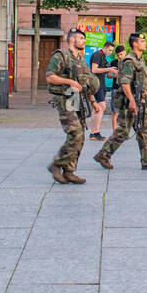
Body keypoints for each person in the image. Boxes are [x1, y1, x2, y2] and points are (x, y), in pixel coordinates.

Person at [94, 32, 147, 172]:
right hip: (131, 102)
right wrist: (131, 100)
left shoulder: (139, 60)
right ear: (135, 44)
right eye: (142, 42)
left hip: (141, 101)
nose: (145, 44)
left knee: (145, 131)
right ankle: (103, 155)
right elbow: (124, 82)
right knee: (123, 131)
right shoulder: (129, 61)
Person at [46, 28, 99, 183]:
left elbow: (85, 83)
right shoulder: (61, 56)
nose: (84, 41)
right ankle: (56, 165)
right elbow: (50, 77)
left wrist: (93, 101)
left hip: (79, 100)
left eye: (84, 39)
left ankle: (69, 171)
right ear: (71, 39)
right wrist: (69, 82)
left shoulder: (81, 60)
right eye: (81, 38)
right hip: (66, 99)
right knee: (75, 133)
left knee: (80, 136)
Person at [89, 41, 117, 141]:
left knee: (96, 108)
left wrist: (111, 69)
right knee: (102, 106)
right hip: (96, 84)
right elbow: (94, 70)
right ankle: (96, 132)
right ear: (104, 48)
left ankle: (93, 133)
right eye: (109, 50)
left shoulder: (104, 57)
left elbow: (104, 71)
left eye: (112, 50)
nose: (110, 52)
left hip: (101, 84)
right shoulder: (97, 55)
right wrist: (109, 69)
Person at [109, 45, 126, 136]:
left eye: (121, 54)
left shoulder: (128, 62)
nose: (120, 56)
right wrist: (116, 75)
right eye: (118, 55)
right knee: (115, 112)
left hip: (126, 89)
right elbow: (108, 75)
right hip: (116, 88)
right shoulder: (113, 62)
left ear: (125, 52)